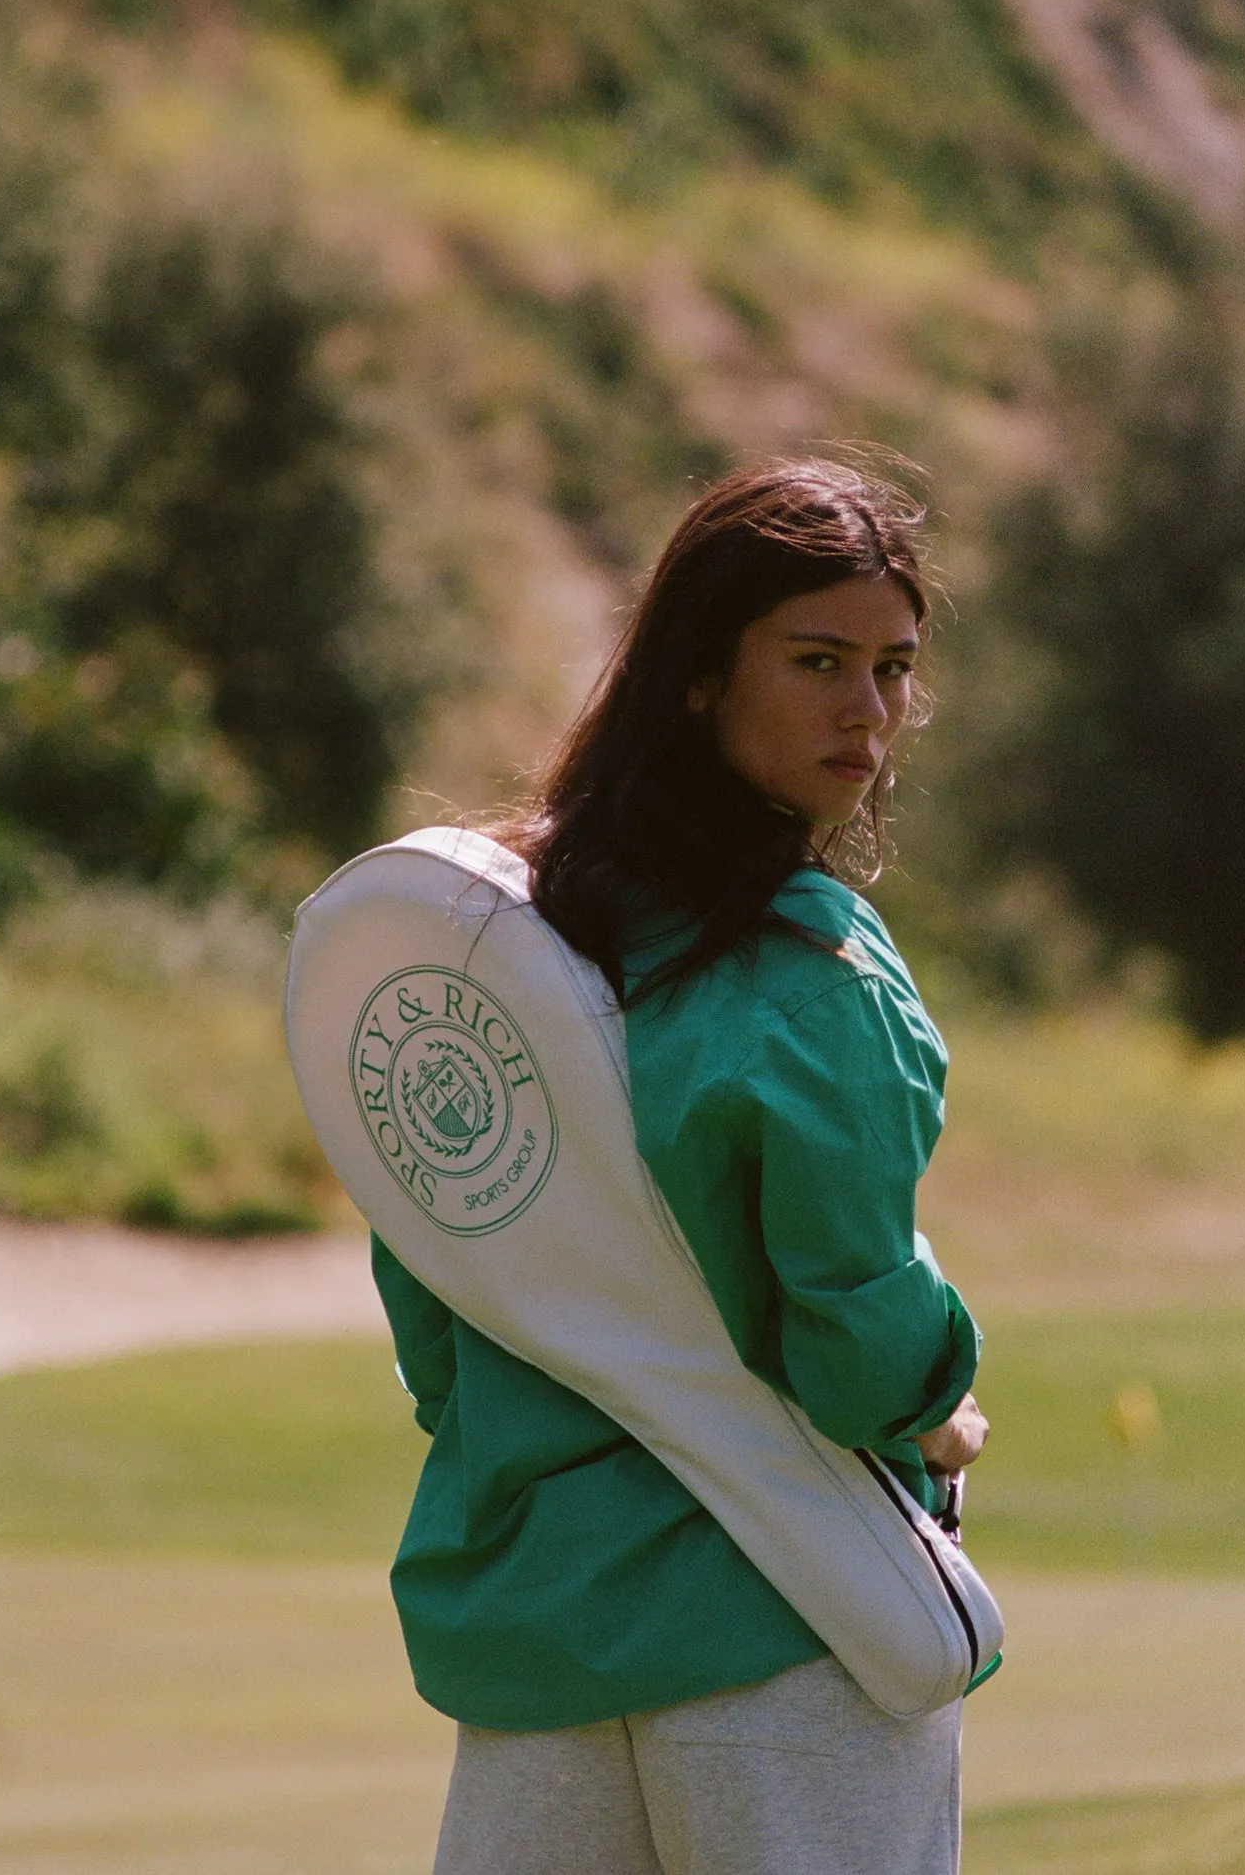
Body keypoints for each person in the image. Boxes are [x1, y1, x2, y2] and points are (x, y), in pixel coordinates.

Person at [372, 456, 990, 1875]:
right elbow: (855, 1345)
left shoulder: (492, 953)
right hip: (794, 1631)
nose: (869, 713)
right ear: (701, 673)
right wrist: (940, 1405)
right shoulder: (816, 970)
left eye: (893, 669)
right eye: (818, 660)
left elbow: (435, 1314)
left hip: (536, 1637)